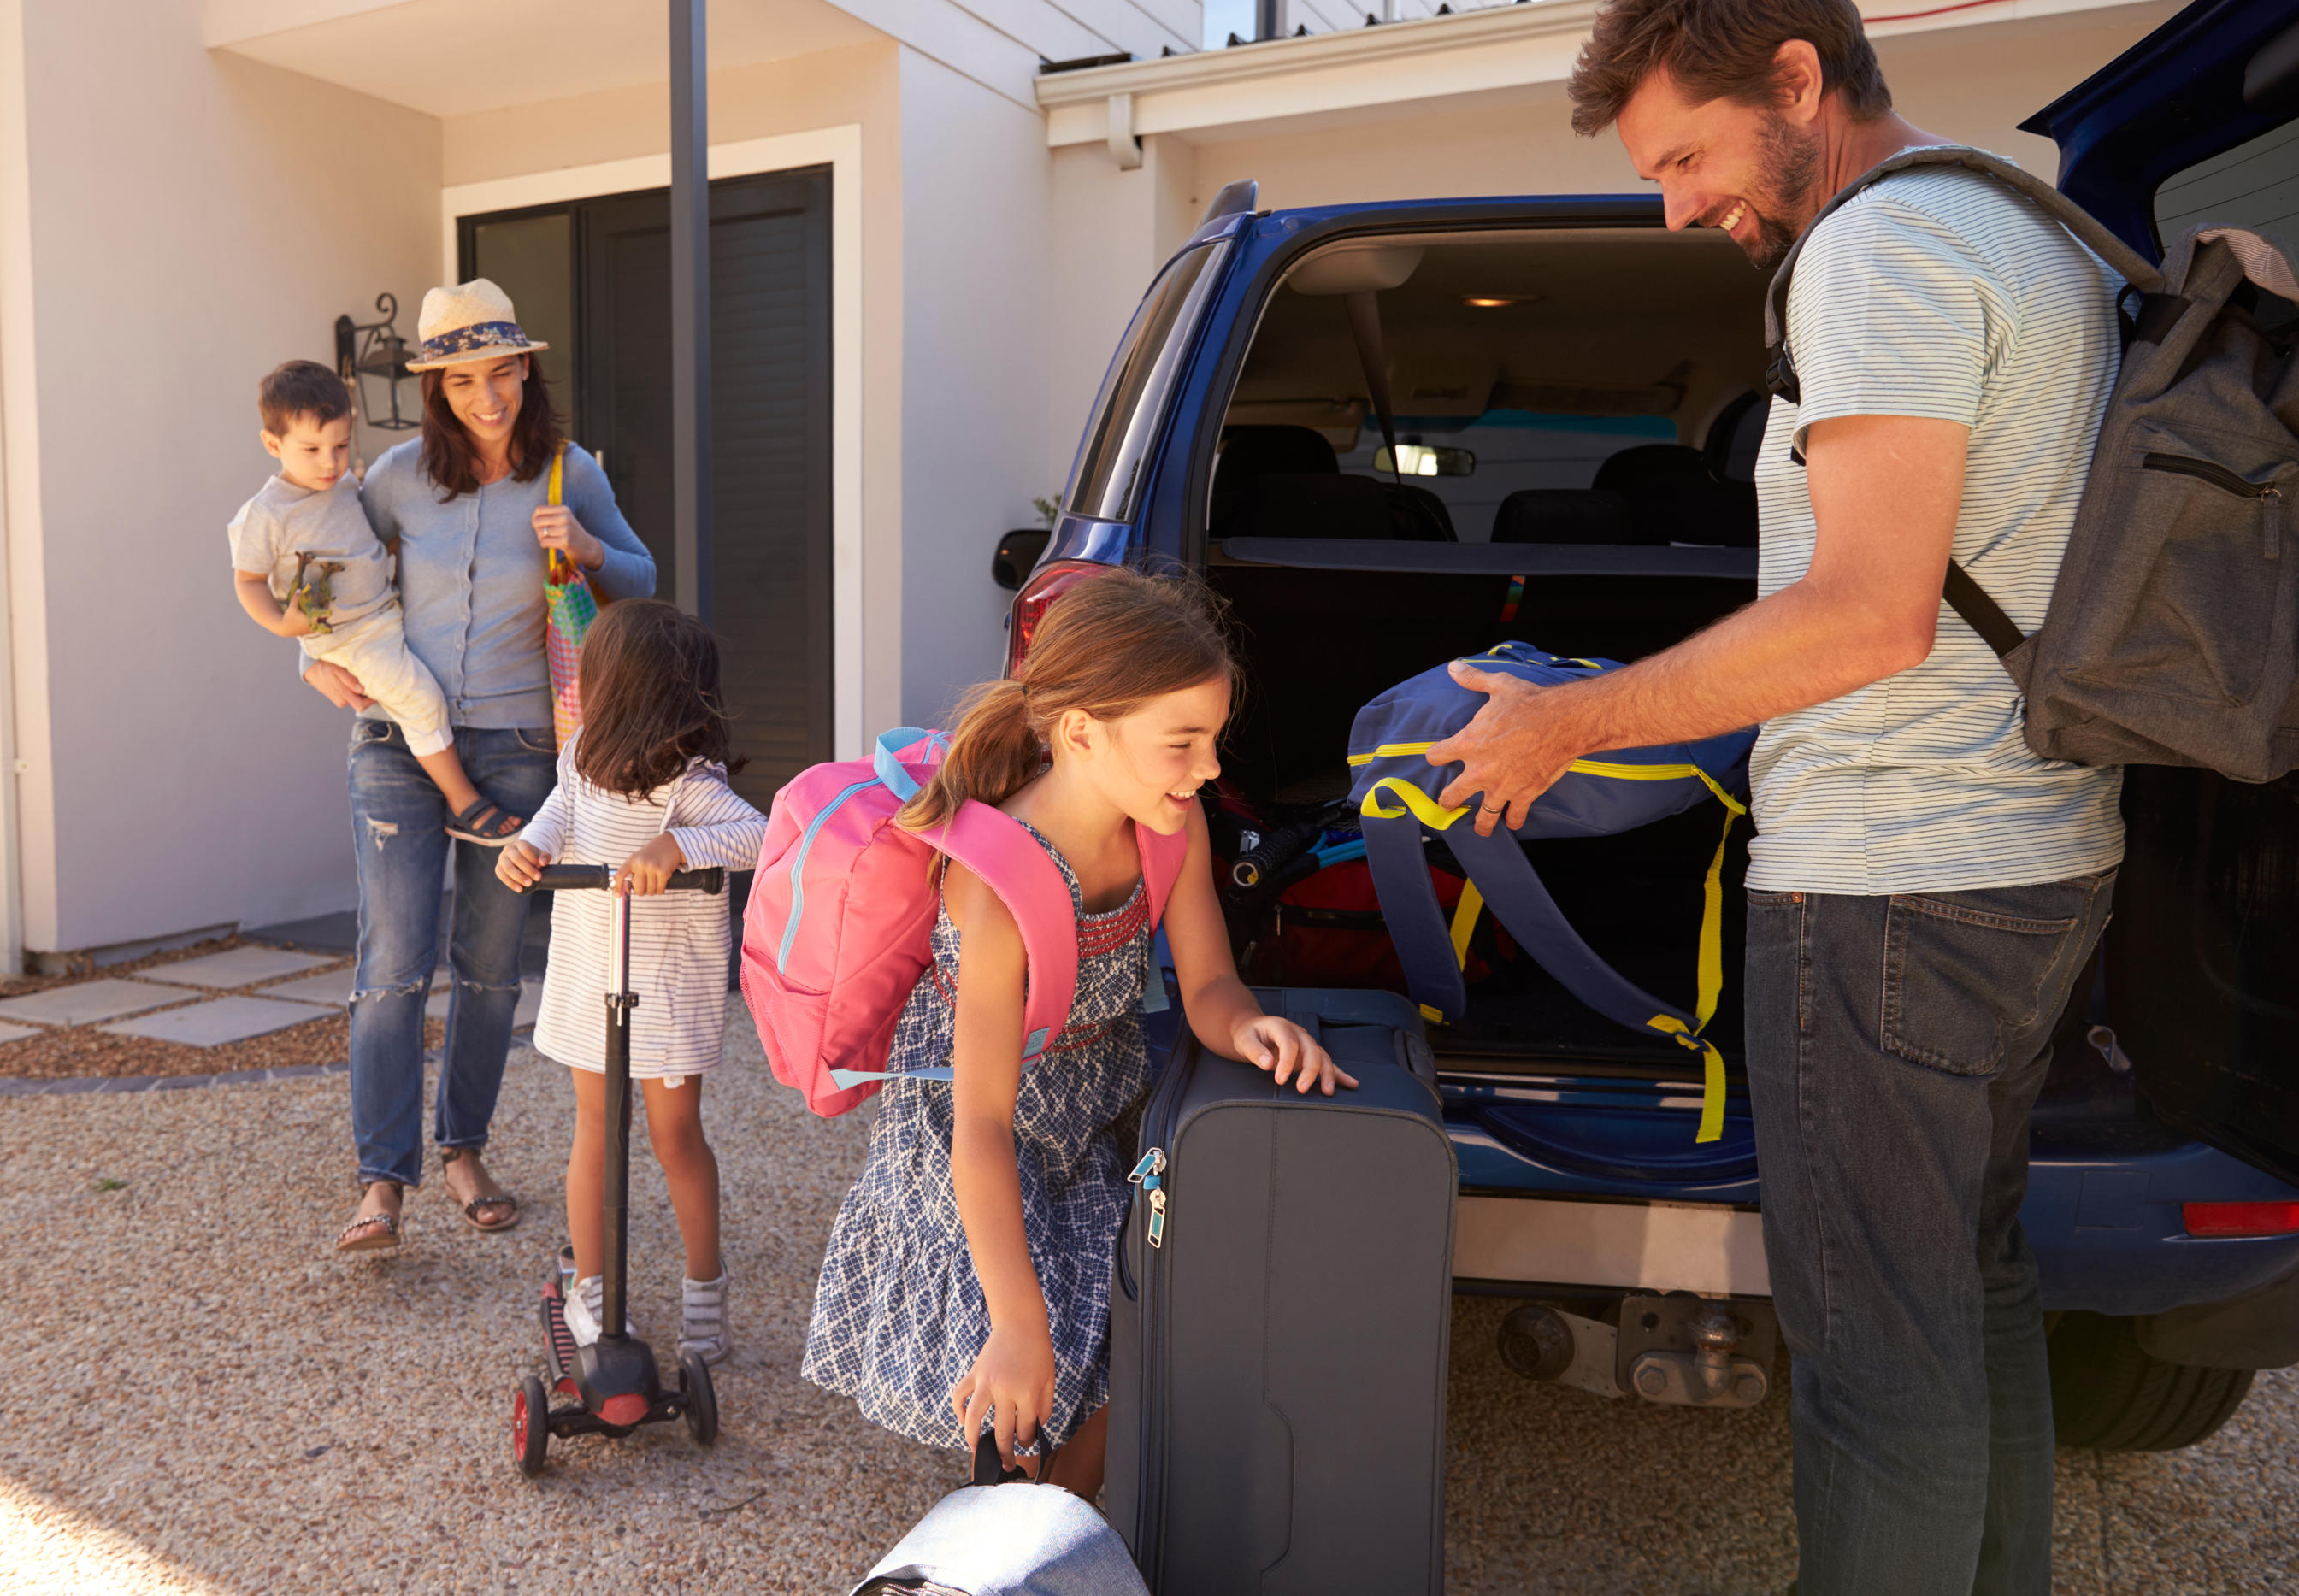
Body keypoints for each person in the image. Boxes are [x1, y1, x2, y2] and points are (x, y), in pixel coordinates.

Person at [1427, 3, 2124, 1588]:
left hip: (1888, 888)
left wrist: (1571, 722)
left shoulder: (1876, 254)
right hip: (2035, 861)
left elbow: (1866, 612)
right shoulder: (2026, 229)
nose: (1674, 204)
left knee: (1879, 1359)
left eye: (1685, 152)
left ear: (1798, 82)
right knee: (1974, 1290)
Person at [801, 568, 1353, 1498]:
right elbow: (978, 1123)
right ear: (1082, 731)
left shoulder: (1168, 828)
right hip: (973, 1141)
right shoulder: (1000, 882)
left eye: (1212, 740)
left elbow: (1210, 980)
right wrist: (1015, 1322)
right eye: (1182, 743)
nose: (1210, 769)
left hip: (1089, 1116)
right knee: (1032, 1357)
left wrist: (1252, 1029)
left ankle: (1057, 1515)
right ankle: (1019, 1517)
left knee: (1138, 1327)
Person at [314, 280, 657, 1255]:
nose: (489, 397)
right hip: (394, 741)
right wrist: (315, 659)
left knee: (492, 968)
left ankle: (462, 1148)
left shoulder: (567, 469)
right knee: (391, 962)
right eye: (465, 380)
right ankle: (383, 1181)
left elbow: (641, 576)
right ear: (439, 387)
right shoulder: (391, 477)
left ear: (524, 371)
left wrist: (587, 545)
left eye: (502, 373)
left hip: (517, 749)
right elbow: (327, 572)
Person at [495, 601, 764, 1360]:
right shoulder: (581, 752)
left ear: (626, 686)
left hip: (664, 989)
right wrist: (530, 846)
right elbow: (557, 812)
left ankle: (704, 1292)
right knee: (594, 1128)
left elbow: (763, 833)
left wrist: (678, 844)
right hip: (592, 975)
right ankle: (592, 1287)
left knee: (675, 1137)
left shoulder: (689, 777)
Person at [233, 361, 525, 846]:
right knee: (419, 698)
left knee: (421, 686)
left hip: (384, 613)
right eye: (312, 450)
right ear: (272, 445)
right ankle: (464, 802)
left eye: (341, 446)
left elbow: (367, 540)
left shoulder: (344, 485)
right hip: (350, 636)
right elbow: (247, 582)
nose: (330, 462)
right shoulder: (267, 514)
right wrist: (287, 630)